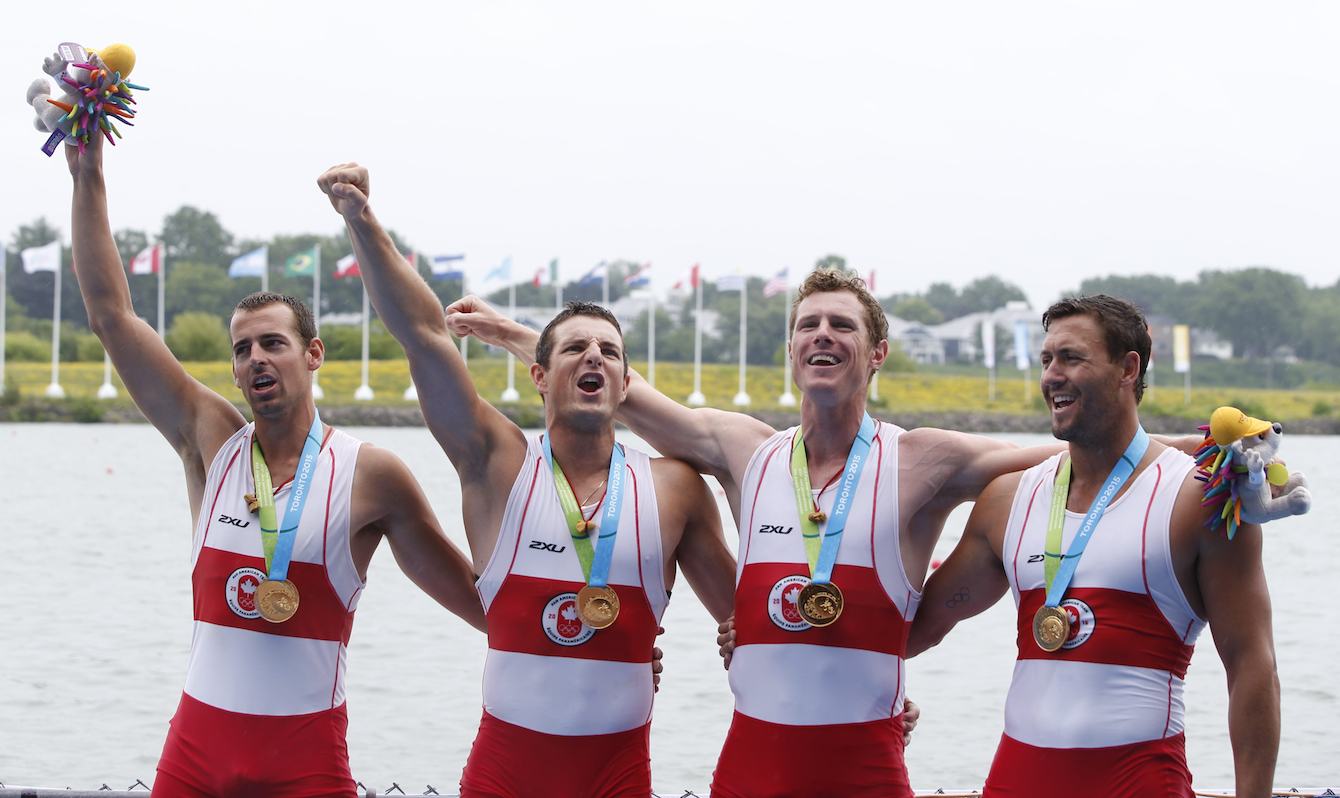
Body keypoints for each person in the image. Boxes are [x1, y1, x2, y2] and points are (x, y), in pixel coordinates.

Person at [443, 268, 1146, 797]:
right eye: (809, 325)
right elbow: (625, 392)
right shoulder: (745, 452)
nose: (823, 335)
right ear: (792, 351)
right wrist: (513, 336)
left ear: (877, 352)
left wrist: (1190, 448)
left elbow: (1072, 452)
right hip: (748, 771)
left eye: (842, 325)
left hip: (866, 772)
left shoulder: (921, 460)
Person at [66, 137, 485, 797]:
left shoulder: (371, 475)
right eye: (242, 349)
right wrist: (87, 172)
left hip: (306, 769)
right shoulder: (211, 441)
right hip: (194, 763)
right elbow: (111, 318)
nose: (256, 358)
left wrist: (606, 647)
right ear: (234, 371)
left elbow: (480, 602)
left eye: (273, 343)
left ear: (313, 354)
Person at [316, 162, 739, 798]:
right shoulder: (498, 465)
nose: (593, 355)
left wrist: (867, 692)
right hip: (502, 779)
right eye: (574, 348)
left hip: (618, 782)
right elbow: (425, 338)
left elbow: (753, 621)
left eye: (609, 351)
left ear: (625, 383)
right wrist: (362, 220)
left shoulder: (675, 488)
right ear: (539, 376)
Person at [908, 295, 1280, 797]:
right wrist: (881, 698)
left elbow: (1253, 664)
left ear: (1128, 369)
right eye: (1046, 360)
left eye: (1071, 358)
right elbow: (914, 632)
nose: (1052, 376)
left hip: (1139, 785)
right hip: (1015, 782)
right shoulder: (1007, 500)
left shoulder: (1198, 499)